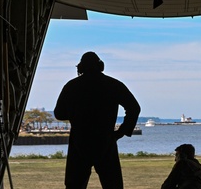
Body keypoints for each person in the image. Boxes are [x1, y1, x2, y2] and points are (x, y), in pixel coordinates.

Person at [54, 51, 141, 189]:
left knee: (74, 185)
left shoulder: (71, 86)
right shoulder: (113, 85)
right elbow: (134, 108)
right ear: (100, 66)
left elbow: (59, 114)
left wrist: (77, 114)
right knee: (113, 184)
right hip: (105, 140)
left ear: (80, 67)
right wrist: (120, 132)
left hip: (79, 141)